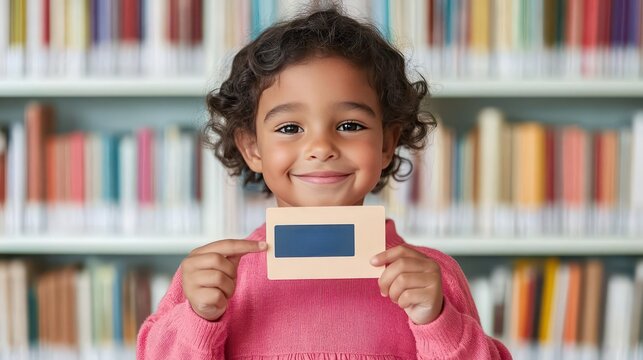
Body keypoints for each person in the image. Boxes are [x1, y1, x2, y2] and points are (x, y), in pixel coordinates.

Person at [137, 6, 511, 360]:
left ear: (386, 143)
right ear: (252, 148)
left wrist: (437, 322)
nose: (320, 147)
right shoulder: (214, 279)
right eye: (289, 128)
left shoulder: (432, 278)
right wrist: (199, 320)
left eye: (350, 126)